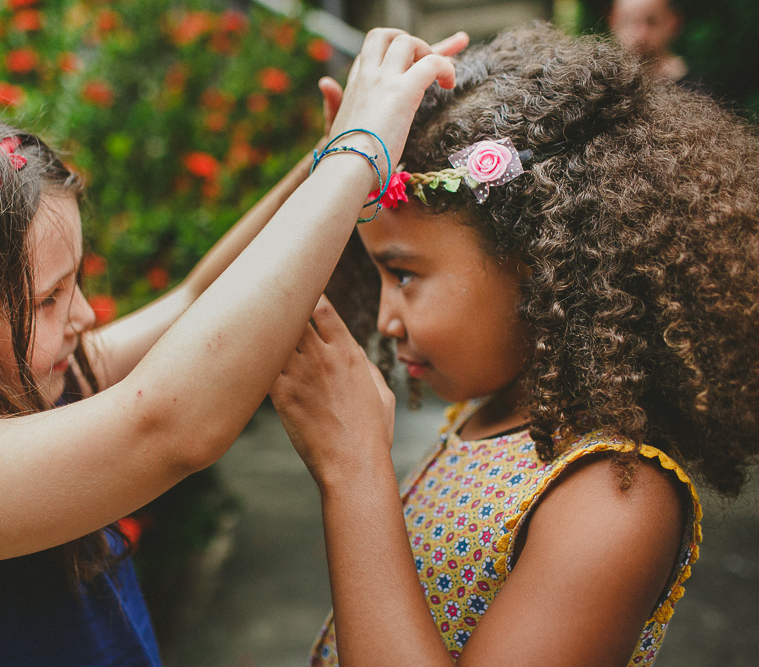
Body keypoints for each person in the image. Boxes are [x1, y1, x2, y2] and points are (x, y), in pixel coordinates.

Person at [0, 29, 469, 665]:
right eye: (48, 298)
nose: (87, 315)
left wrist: (332, 163)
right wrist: (356, 158)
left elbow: (194, 301)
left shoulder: (21, 388)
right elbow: (165, 425)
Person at [270, 23, 759, 667]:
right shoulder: (491, 416)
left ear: (537, 264)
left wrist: (354, 470)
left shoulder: (613, 495)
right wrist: (342, 158)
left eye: (405, 274)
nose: (386, 318)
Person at [608, 0, 697, 86]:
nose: (640, 35)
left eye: (651, 22)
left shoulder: (699, 90)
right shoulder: (601, 85)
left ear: (673, 22)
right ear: (613, 21)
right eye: (629, 21)